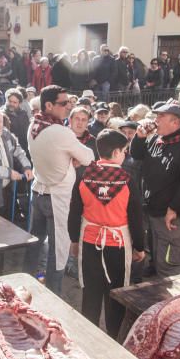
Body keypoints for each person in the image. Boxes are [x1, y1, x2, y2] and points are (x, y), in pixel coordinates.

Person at [68, 129, 145, 336]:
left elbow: (75, 211)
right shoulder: (127, 179)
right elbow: (136, 216)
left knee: (91, 293)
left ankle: (88, 337)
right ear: (117, 152)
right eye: (124, 151)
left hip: (90, 243)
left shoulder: (84, 176)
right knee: (116, 294)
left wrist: (74, 240)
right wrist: (139, 246)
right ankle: (113, 337)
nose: (125, 155)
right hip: (118, 245)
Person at [26, 86, 94, 293]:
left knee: (34, 245)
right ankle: (53, 296)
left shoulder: (33, 125)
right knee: (58, 250)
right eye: (63, 103)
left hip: (38, 192)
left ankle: (24, 285)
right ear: (48, 105)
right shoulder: (61, 131)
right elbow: (89, 157)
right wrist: (71, 157)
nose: (68, 106)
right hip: (56, 198)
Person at [130, 103, 180, 274]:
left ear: (175, 122)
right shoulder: (157, 139)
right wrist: (140, 137)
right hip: (155, 209)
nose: (155, 120)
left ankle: (172, 297)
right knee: (157, 251)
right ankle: (156, 276)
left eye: (160, 117)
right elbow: (136, 154)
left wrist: (174, 208)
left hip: (174, 216)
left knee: (171, 265)